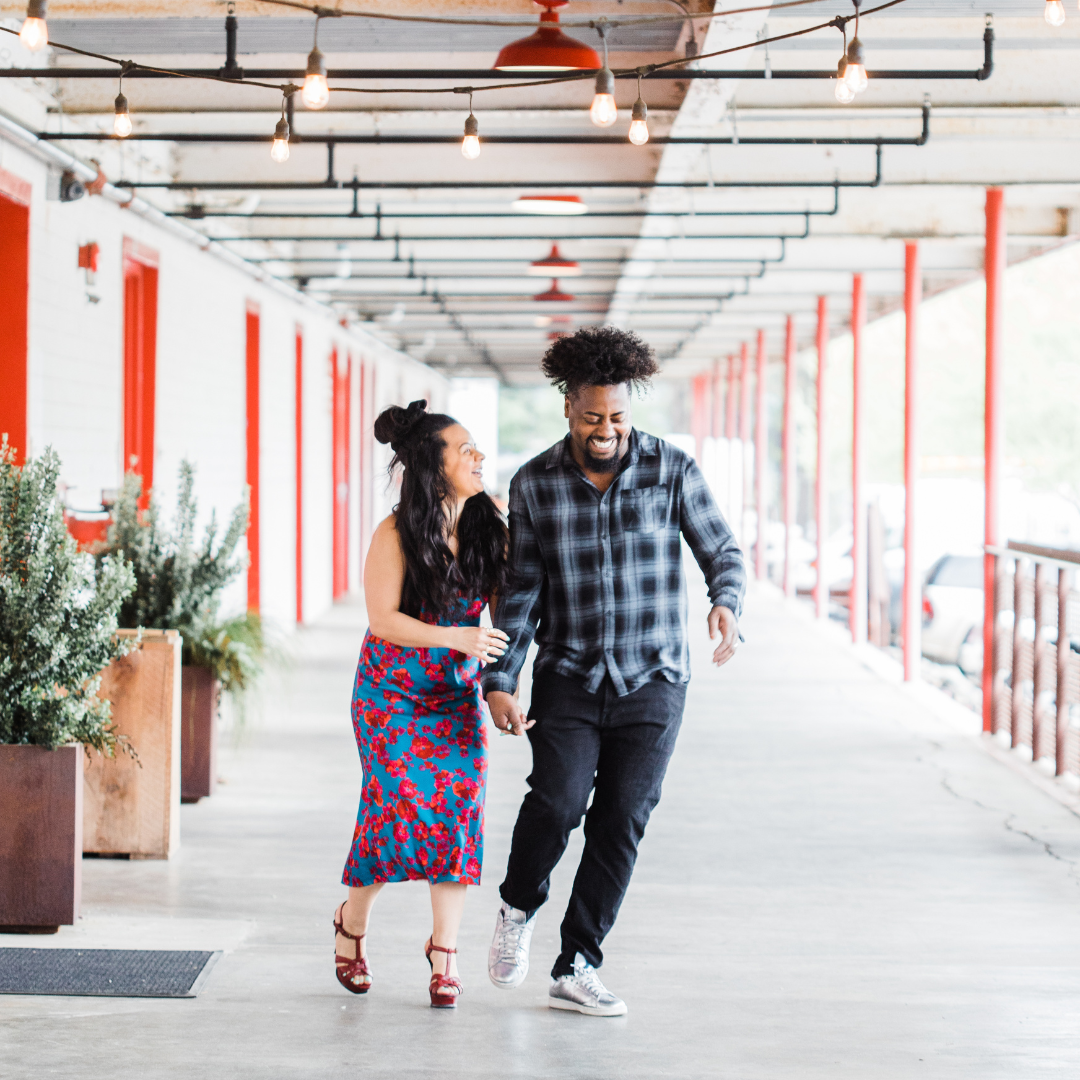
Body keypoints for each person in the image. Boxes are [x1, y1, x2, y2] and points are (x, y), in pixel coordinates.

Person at [482, 327, 746, 1017]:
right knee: (558, 802)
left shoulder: (672, 470)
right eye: (594, 417)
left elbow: (722, 551)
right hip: (569, 675)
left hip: (654, 681)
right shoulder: (535, 482)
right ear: (569, 407)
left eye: (619, 418)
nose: (608, 431)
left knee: (621, 819)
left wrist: (726, 605)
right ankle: (517, 906)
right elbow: (521, 592)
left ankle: (578, 963)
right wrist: (502, 679)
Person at [334, 400, 509, 1009]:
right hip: (391, 695)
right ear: (435, 468)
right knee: (396, 810)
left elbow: (516, 602)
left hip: (453, 694)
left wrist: (503, 681)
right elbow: (382, 619)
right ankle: (351, 924)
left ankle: (444, 953)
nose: (478, 457)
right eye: (465, 450)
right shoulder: (395, 532)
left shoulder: (493, 523)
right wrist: (457, 636)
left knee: (460, 807)